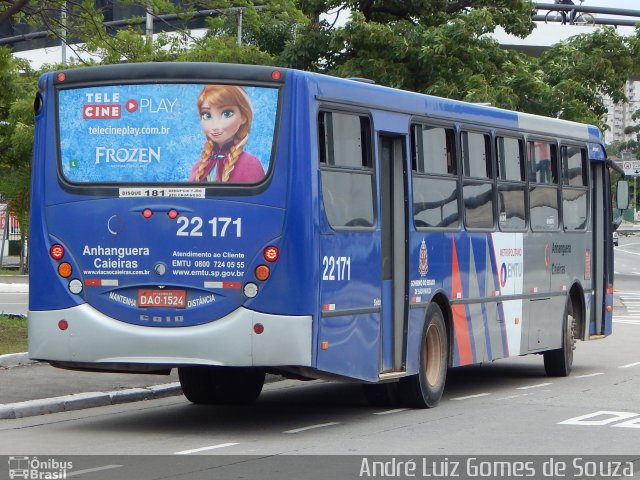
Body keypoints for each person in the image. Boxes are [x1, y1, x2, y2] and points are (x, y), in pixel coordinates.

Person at [189, 85, 265, 183]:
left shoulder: (250, 165)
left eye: (226, 113)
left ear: (243, 117)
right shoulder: (199, 167)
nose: (214, 125)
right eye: (207, 115)